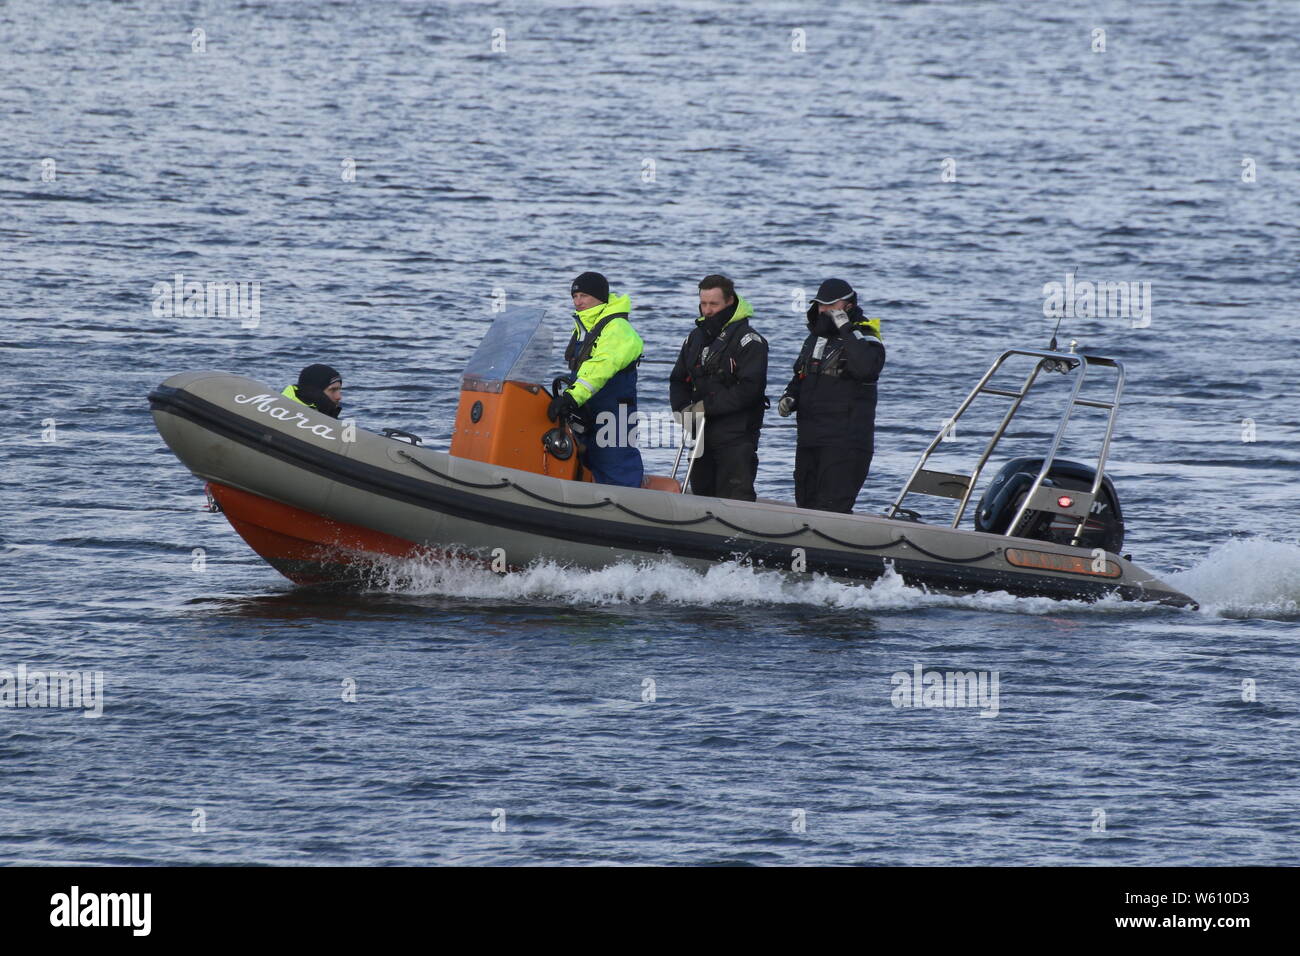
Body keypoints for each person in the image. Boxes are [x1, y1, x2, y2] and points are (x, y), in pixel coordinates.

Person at [778, 278, 885, 513]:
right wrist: (789, 397)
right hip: (809, 439)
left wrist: (846, 327)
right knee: (805, 503)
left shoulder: (867, 337)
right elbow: (801, 375)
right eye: (820, 305)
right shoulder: (815, 338)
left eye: (830, 305)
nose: (824, 310)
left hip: (845, 443)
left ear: (847, 306)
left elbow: (867, 369)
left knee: (832, 507)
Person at [669, 274, 768, 500]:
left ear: (730, 301)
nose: (708, 310)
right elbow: (678, 379)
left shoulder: (750, 341)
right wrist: (682, 409)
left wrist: (707, 407)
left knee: (735, 495)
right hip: (701, 434)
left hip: (736, 435)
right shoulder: (695, 338)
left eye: (714, 304)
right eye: (703, 304)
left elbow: (750, 390)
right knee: (702, 492)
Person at [548, 272, 645, 487]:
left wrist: (572, 397)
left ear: (600, 297)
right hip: (588, 410)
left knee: (615, 463)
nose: (578, 301)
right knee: (584, 460)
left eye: (584, 296)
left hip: (614, 413)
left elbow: (600, 366)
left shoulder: (617, 329)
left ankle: (626, 508)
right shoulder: (585, 327)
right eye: (574, 296)